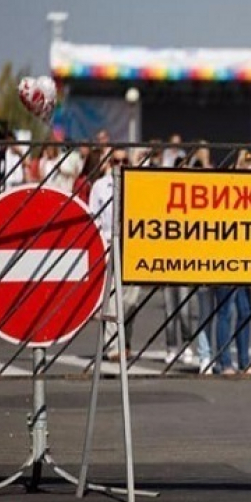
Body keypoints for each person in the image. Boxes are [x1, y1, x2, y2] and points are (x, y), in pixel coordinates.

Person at [89, 148, 140, 361]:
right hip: (109, 246)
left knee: (131, 301)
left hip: (132, 247)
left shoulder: (136, 184)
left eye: (124, 159)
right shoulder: (100, 186)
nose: (120, 163)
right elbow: (94, 220)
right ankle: (112, 347)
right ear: (110, 162)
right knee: (111, 301)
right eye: (116, 160)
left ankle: (125, 341)